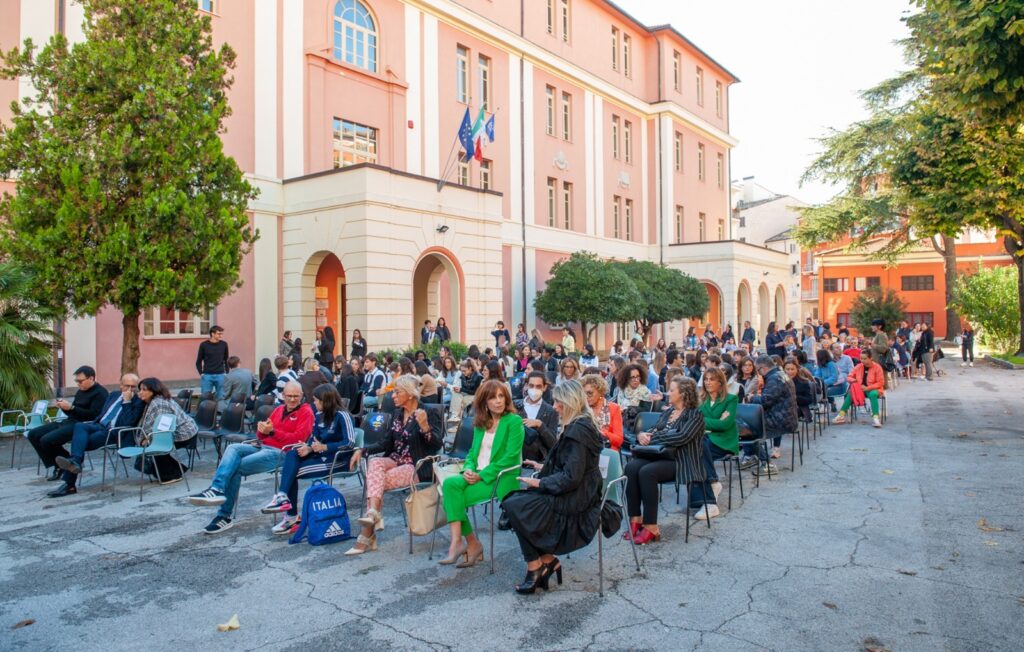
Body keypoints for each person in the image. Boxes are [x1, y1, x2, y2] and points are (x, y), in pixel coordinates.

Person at [502, 380, 604, 594]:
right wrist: (543, 466)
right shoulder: (580, 424)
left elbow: (572, 477)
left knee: (515, 506)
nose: (555, 407)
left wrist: (540, 481)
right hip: (579, 490)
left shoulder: (578, 430)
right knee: (514, 503)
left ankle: (536, 566)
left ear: (570, 402)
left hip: (577, 499)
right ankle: (545, 561)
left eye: (559, 403)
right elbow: (572, 466)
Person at [189, 381, 313, 534]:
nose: (292, 399)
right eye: (289, 396)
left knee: (235, 467)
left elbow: (297, 440)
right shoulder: (279, 409)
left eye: (296, 396)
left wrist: (272, 432)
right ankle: (217, 488)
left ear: (301, 396)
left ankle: (223, 516)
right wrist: (263, 430)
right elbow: (262, 435)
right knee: (232, 448)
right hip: (262, 446)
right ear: (282, 395)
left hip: (281, 453)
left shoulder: (306, 412)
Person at [345, 376, 444, 554]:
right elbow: (384, 444)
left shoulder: (429, 412)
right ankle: (373, 514)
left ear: (411, 394)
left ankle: (367, 533)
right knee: (375, 463)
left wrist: (425, 426)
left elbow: (437, 445)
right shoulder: (398, 415)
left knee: (376, 481)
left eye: (397, 392)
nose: (393, 396)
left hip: (417, 465)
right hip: (396, 460)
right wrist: (362, 450)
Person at [440, 380, 524, 566]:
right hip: (477, 473)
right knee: (449, 485)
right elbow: (472, 453)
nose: (498, 401)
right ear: (484, 402)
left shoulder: (514, 421)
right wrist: (469, 469)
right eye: (492, 397)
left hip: (501, 477)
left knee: (452, 499)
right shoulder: (481, 423)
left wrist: (481, 475)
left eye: (501, 396)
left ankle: (467, 543)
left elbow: (510, 457)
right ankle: (462, 542)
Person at [262, 384, 355, 534]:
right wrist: (309, 447)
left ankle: (291, 518)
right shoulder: (319, 415)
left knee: (292, 472)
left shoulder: (342, 415)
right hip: (320, 456)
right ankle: (282, 497)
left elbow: (350, 442)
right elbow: (314, 439)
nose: (314, 403)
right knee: (293, 453)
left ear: (326, 401)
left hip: (337, 461)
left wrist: (325, 447)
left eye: (316, 400)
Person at [623, 377, 707, 544]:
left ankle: (651, 526)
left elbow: (681, 437)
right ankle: (636, 519)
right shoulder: (668, 412)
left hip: (681, 461)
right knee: (631, 468)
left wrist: (653, 438)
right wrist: (642, 435)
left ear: (683, 394)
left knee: (647, 472)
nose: (668, 393)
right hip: (660, 455)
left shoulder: (695, 415)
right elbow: (653, 430)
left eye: (672, 390)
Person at [49, 374, 144, 497]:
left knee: (78, 444)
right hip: (98, 425)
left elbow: (128, 423)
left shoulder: (138, 402)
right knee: (79, 426)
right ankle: (75, 463)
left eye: (133, 387)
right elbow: (102, 414)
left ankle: (70, 482)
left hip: (114, 432)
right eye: (127, 386)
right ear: (121, 385)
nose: (130, 390)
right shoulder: (114, 395)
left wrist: (127, 402)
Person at [28, 365, 109, 481]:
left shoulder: (101, 393)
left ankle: (65, 463)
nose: (78, 384)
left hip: (82, 425)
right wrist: (64, 407)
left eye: (80, 381)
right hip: (69, 421)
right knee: (33, 434)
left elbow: (94, 415)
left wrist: (71, 407)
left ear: (91, 378)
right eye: (77, 381)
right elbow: (72, 413)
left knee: (46, 440)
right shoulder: (81, 391)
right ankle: (64, 462)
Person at [132, 377, 200, 483]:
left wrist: (147, 439)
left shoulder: (159, 403)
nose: (140, 393)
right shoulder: (152, 401)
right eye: (140, 389)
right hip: (178, 431)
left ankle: (171, 475)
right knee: (153, 445)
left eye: (144, 390)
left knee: (157, 446)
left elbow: (161, 428)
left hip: (185, 433)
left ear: (153, 390)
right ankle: (175, 471)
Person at [695, 368, 739, 520]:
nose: (707, 382)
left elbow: (725, 425)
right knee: (695, 449)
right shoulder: (702, 400)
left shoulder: (730, 399)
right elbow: (696, 420)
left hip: (724, 442)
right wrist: (715, 422)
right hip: (706, 440)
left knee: (698, 449)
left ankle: (710, 502)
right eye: (705, 379)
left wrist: (703, 422)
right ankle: (711, 486)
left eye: (711, 379)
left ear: (720, 382)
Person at [746, 355, 798, 473]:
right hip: (784, 416)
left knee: (748, 431)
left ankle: (767, 464)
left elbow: (765, 401)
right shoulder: (780, 374)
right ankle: (752, 456)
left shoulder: (775, 378)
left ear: (763, 368)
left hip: (781, 420)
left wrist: (752, 398)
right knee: (747, 425)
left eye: (758, 370)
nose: (758, 373)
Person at [833, 349, 885, 427]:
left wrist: (868, 388)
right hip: (860, 389)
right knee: (851, 393)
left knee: (873, 394)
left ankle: (876, 417)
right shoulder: (858, 366)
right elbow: (849, 377)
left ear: (871, 358)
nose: (862, 360)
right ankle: (841, 415)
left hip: (873, 389)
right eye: (861, 358)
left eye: (865, 358)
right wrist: (855, 381)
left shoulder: (877, 367)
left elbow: (880, 382)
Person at [515, 372, 560, 462]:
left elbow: (553, 443)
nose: (534, 389)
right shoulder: (515, 405)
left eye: (538, 386)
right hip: (515, 459)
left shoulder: (550, 411)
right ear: (527, 386)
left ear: (544, 387)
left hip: (538, 461)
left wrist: (540, 425)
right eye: (531, 385)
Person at [581, 373, 623, 451]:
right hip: (585, 449)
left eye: (590, 393)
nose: (586, 397)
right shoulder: (581, 408)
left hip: (606, 449)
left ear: (600, 392)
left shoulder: (613, 408)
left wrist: (601, 432)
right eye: (584, 394)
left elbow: (619, 440)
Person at [196, 325, 229, 399]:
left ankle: (219, 410)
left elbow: (226, 360)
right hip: (207, 375)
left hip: (221, 375)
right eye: (219, 334)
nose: (221, 335)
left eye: (221, 333)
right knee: (205, 398)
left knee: (221, 398)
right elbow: (198, 361)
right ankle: (206, 410)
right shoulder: (203, 345)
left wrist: (227, 373)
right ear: (212, 334)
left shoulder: (224, 344)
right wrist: (201, 374)